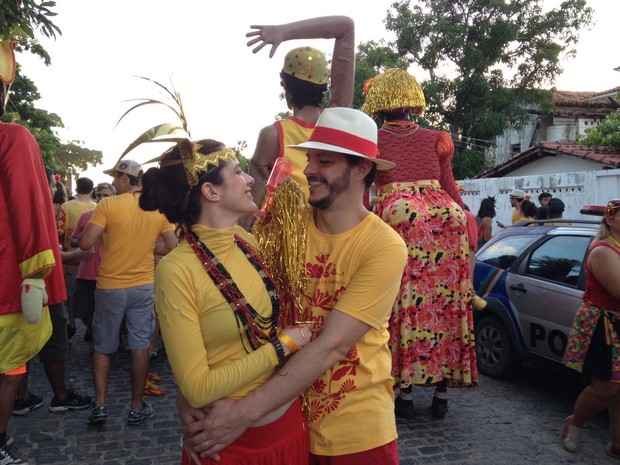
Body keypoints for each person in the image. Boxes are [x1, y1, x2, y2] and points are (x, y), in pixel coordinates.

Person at [180, 108, 408, 464]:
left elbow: (332, 346)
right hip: (282, 424)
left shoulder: (384, 246)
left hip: (355, 431)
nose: (310, 170)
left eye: (326, 161)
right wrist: (192, 393)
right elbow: (233, 311)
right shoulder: (281, 226)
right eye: (310, 158)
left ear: (362, 168)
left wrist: (240, 415)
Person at [139, 138, 312, 464]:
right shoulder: (177, 270)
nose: (249, 179)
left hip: (287, 428)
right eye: (238, 172)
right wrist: (283, 345)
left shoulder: (244, 241)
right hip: (227, 445)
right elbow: (198, 389)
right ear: (211, 192)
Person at [361, 68, 478, 419]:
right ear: (412, 101)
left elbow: (363, 189)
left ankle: (406, 392)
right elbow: (449, 185)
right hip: (445, 215)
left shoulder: (373, 139)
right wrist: (464, 214)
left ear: (379, 105)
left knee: (404, 302)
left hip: (400, 213)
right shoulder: (436, 138)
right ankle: (442, 391)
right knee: (446, 302)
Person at [79, 159, 177, 426]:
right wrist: (149, 248)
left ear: (125, 178)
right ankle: (136, 406)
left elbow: (86, 242)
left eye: (115, 177)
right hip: (143, 286)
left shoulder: (107, 205)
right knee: (139, 346)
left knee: (103, 346)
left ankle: (100, 404)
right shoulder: (156, 209)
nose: (112, 182)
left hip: (110, 286)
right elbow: (173, 246)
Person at [0, 39, 59, 464]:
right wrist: (38, 275)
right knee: (10, 368)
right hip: (6, 285)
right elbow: (30, 211)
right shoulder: (13, 138)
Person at [239, 15, 355, 230]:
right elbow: (346, 27)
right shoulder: (337, 122)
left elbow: (251, 209)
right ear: (323, 86)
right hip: (330, 237)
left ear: (286, 89)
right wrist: (284, 31)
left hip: (282, 243)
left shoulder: (273, 134)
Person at [562, 199, 620, 459]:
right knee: (605, 388)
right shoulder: (603, 250)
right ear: (610, 219)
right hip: (605, 325)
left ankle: (617, 442)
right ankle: (574, 424)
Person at [70, 182, 115, 342]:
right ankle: (95, 330)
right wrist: (86, 234)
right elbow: (73, 240)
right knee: (84, 312)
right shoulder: (86, 217)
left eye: (106, 195)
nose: (102, 198)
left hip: (110, 273)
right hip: (86, 272)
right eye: (99, 195)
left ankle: (101, 341)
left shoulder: (119, 217)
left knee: (108, 313)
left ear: (113, 197)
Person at [57, 176, 96, 338]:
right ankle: (92, 326)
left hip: (70, 258)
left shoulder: (66, 206)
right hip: (93, 260)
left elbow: (60, 230)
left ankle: (71, 322)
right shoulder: (97, 207)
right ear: (92, 190)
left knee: (71, 294)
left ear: (77, 189)